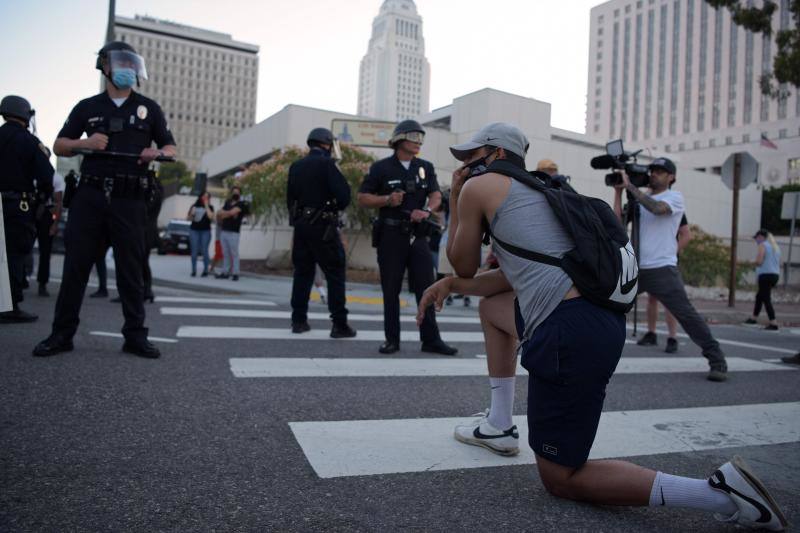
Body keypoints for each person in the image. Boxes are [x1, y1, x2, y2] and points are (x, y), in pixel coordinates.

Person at [418, 122, 787, 531]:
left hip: (566, 334)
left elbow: (464, 261)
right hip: (596, 323)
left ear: (497, 156)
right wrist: (452, 285)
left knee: (561, 478)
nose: (466, 165)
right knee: (492, 311)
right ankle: (499, 425)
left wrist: (455, 197)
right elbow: (512, 279)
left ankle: (719, 493)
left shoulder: (478, 189)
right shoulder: (545, 194)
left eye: (472, 157)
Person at [32, 41, 176, 358]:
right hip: (91, 194)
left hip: (131, 196)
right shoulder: (87, 107)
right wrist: (86, 143)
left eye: (130, 63)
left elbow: (170, 147)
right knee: (76, 267)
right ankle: (61, 334)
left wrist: (157, 153)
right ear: (105, 67)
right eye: (119, 62)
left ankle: (135, 336)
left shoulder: (148, 108)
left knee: (131, 268)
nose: (126, 69)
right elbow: (58, 145)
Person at [613, 157, 728, 382]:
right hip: (636, 268)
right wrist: (619, 192)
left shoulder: (674, 198)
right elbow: (617, 224)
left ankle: (717, 360)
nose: (654, 173)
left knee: (687, 315)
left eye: (660, 171)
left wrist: (631, 187)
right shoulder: (638, 199)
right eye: (653, 170)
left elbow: (657, 209)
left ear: (671, 177)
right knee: (607, 307)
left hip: (662, 268)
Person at [357, 120, 457, 355]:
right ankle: (392, 340)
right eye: (414, 137)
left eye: (421, 138)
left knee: (427, 287)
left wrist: (428, 210)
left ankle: (430, 340)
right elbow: (362, 197)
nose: (418, 142)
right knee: (390, 289)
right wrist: (386, 200)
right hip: (390, 236)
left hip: (417, 236)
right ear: (400, 139)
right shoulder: (381, 168)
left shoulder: (425, 166)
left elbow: (435, 195)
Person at [287, 127, 356, 338]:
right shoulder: (327, 164)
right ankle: (339, 324)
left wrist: (298, 222)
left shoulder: (296, 166)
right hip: (324, 226)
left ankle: (298, 321)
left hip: (301, 227)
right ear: (326, 144)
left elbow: (290, 199)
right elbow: (344, 196)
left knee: (302, 274)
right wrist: (332, 207)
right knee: (335, 273)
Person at [0, 95, 54, 323]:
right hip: (17, 204)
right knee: (14, 254)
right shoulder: (30, 141)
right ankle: (8, 306)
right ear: (25, 114)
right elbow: (47, 175)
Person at [639, 214, 691, 353]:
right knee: (652, 298)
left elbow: (686, 235)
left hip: (666, 262)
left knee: (670, 300)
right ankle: (651, 333)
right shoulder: (647, 208)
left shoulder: (673, 208)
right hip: (651, 261)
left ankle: (672, 338)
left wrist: (670, 252)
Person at [35, 170, 65, 297]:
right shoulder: (30, 172)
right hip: (30, 210)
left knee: (45, 251)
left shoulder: (55, 178)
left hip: (46, 215)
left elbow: (58, 203)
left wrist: (54, 223)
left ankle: (42, 283)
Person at [745, 229, 781, 331]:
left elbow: (759, 262)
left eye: (756, 238)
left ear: (761, 237)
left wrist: (749, 262)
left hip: (765, 275)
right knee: (760, 296)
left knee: (766, 298)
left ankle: (773, 322)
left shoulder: (763, 245)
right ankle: (753, 318)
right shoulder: (775, 247)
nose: (756, 240)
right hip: (775, 275)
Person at [215, 185, 247, 281]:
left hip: (234, 232)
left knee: (234, 253)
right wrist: (228, 213)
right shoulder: (227, 202)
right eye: (234, 192)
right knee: (226, 253)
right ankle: (225, 272)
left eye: (237, 192)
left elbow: (231, 213)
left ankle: (235, 273)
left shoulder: (241, 204)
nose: (235, 194)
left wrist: (226, 214)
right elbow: (219, 213)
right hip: (224, 231)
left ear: (240, 194)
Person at [187, 191, 214, 277]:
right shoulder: (194, 206)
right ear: (200, 197)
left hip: (205, 231)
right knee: (194, 251)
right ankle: (193, 270)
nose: (205, 198)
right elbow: (188, 219)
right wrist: (192, 214)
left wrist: (206, 205)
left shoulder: (210, 207)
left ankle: (206, 270)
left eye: (207, 197)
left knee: (204, 251)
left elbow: (210, 217)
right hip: (194, 230)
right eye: (204, 196)